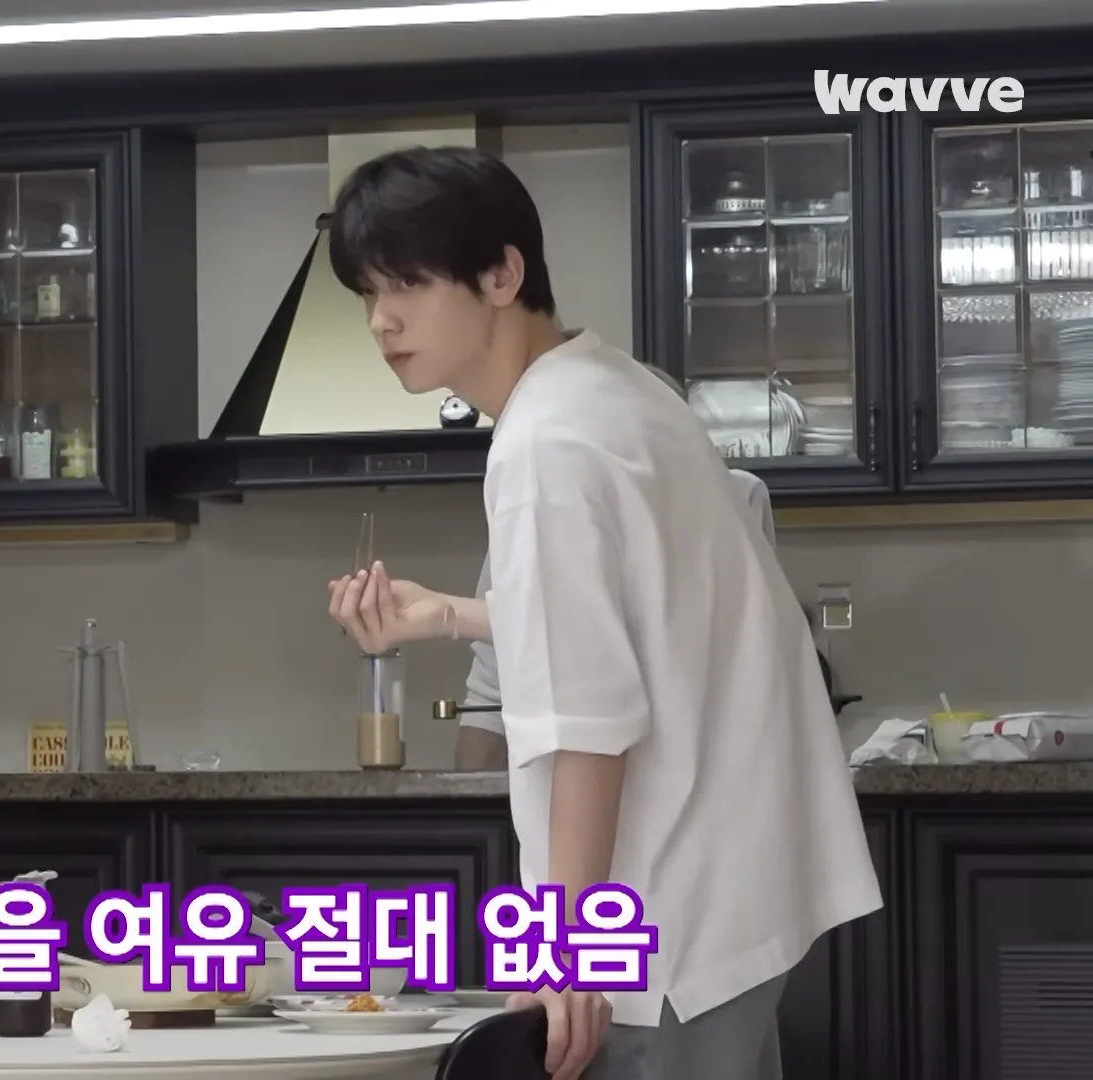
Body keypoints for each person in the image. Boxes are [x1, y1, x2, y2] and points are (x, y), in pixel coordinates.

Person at [321, 146, 879, 1080]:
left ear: (501, 274)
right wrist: (453, 615)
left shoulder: (545, 445)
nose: (382, 319)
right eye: (368, 294)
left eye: (407, 284)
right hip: (731, 901)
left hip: (664, 923)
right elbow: (655, 617)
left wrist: (571, 945)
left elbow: (590, 718)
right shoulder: (619, 390)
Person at [454, 365, 779, 773]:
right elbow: (492, 676)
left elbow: (753, 659)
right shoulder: (540, 504)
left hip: (707, 761)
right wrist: (468, 794)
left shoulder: (734, 503)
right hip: (574, 769)